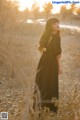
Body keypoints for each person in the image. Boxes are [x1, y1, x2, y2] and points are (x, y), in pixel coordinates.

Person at [33, 18, 62, 113]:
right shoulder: (56, 37)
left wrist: (46, 51)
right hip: (52, 62)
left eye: (58, 23)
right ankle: (50, 107)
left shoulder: (45, 35)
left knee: (42, 81)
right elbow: (58, 54)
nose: (57, 25)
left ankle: (40, 104)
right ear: (50, 25)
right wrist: (60, 67)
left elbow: (40, 48)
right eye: (54, 24)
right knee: (51, 82)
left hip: (43, 61)